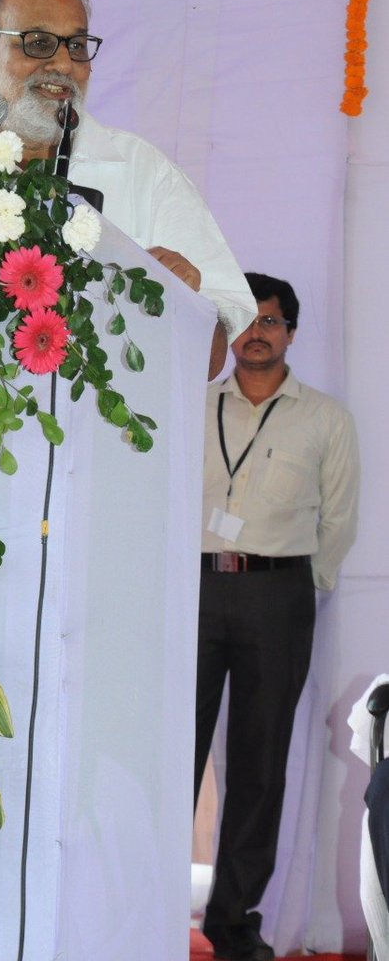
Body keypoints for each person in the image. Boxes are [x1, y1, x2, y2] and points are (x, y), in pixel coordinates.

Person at [0, 0, 256, 376]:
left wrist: (178, 298)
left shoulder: (143, 173)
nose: (64, 65)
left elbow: (213, 359)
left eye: (77, 46)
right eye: (38, 42)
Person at [195, 272, 360, 961]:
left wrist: (299, 587)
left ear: (290, 332)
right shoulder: (193, 406)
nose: (255, 333)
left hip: (276, 596)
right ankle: (144, 903)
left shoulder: (324, 416)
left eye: (269, 321)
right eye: (244, 320)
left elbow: (340, 517)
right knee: (174, 751)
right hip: (194, 590)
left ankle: (234, 923)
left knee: (260, 765)